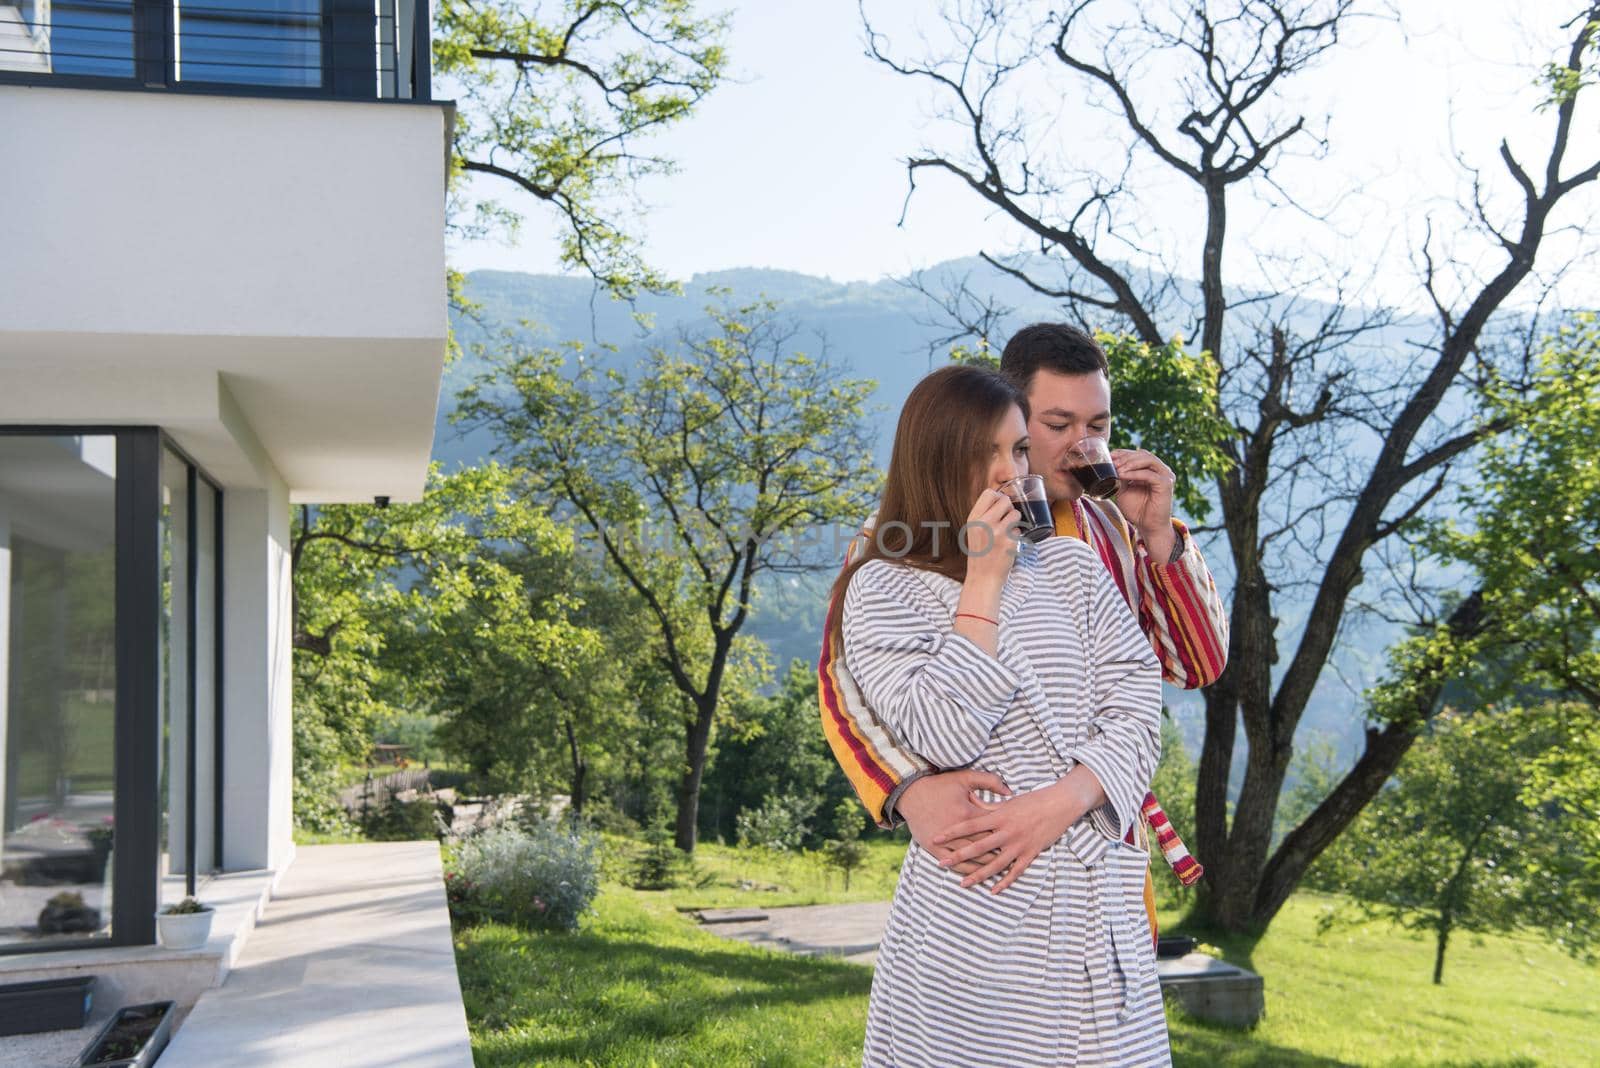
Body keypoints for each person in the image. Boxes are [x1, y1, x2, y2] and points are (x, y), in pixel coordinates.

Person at [820, 323, 1227, 924]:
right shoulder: (905, 540)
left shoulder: (1113, 527)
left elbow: (1194, 667)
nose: (1080, 445)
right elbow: (842, 679)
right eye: (1058, 426)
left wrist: (1158, 536)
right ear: (1008, 416)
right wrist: (905, 788)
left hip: (1106, 831)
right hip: (988, 843)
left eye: (1098, 427)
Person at [830, 364, 1168, 1066]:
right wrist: (983, 580)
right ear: (935, 460)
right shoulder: (884, 588)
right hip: (981, 910)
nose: (1008, 473)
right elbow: (942, 735)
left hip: (1096, 907)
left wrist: (1064, 800)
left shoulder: (1071, 568)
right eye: (985, 453)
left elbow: (1139, 701)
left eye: (1017, 451)